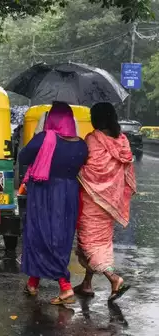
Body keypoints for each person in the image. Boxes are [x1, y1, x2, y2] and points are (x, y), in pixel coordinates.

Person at [19, 102, 88, 305]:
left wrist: (39, 140)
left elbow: (23, 157)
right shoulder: (81, 144)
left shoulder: (44, 139)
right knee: (59, 238)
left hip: (44, 193)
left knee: (40, 236)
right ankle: (33, 283)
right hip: (69, 195)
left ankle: (65, 287)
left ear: (52, 120)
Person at [74, 103, 136, 302]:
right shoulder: (123, 141)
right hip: (111, 200)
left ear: (96, 119)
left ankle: (114, 279)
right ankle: (86, 284)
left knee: (89, 242)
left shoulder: (92, 140)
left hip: (91, 201)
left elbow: (84, 167)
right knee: (100, 241)